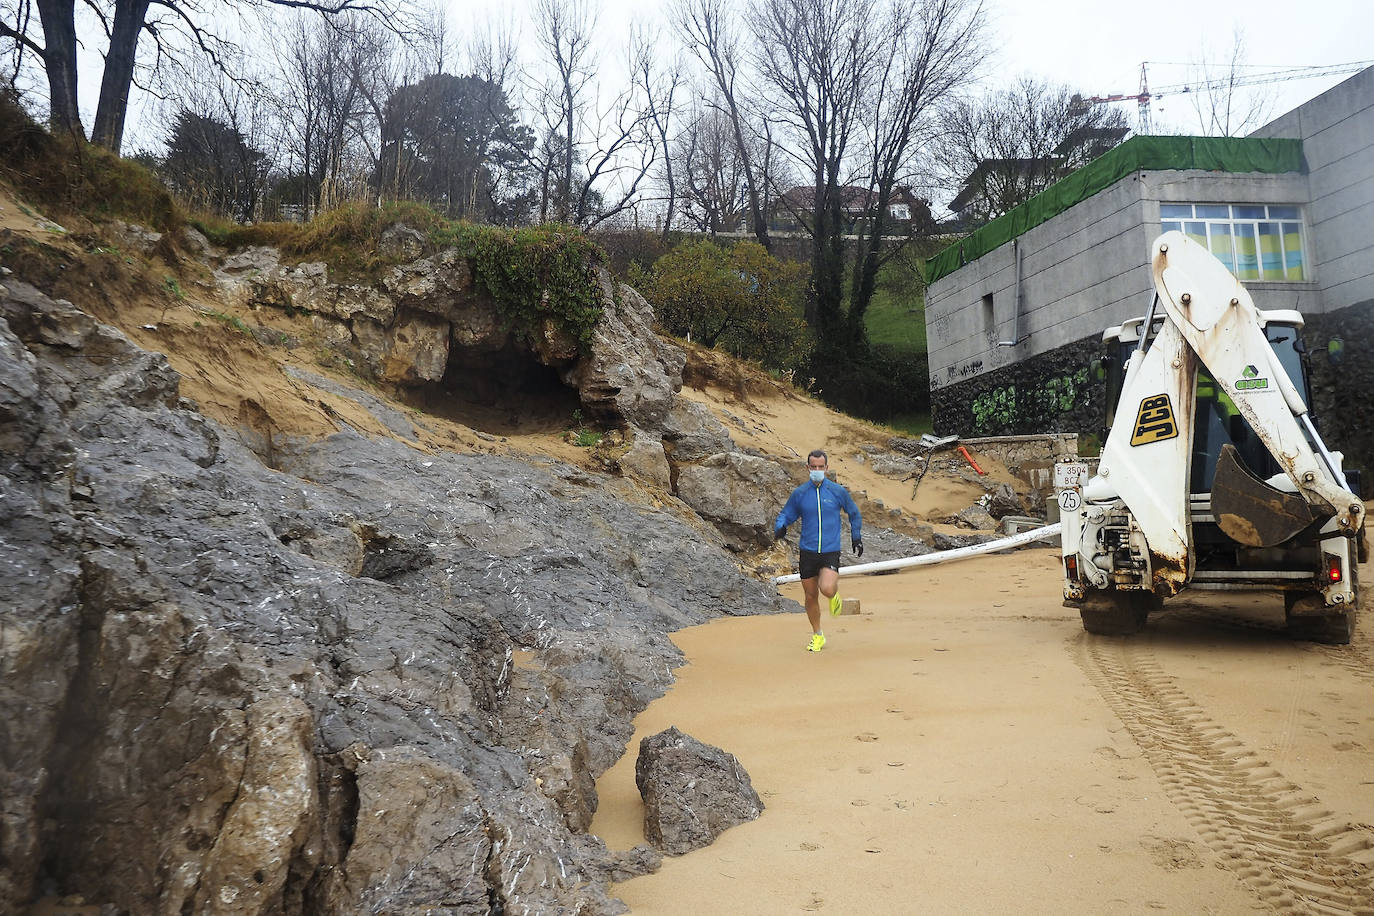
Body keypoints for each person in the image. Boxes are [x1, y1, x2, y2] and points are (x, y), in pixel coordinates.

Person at [774, 449, 863, 652]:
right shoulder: (800, 494)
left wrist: (856, 536)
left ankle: (834, 596)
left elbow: (854, 513)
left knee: (827, 588)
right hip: (808, 551)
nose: (816, 470)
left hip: (830, 550)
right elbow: (786, 514)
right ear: (807, 468)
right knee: (810, 595)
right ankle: (818, 634)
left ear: (826, 468)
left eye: (820, 467)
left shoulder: (837, 492)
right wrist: (780, 526)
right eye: (813, 467)